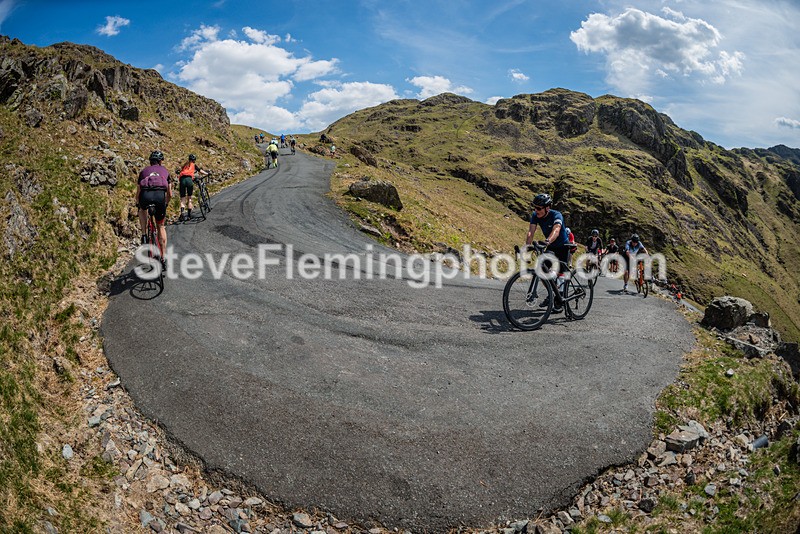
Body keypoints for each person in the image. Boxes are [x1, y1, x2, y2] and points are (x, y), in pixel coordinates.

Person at [524, 193, 571, 313]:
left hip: (563, 246)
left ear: (547, 208)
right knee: (542, 269)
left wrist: (547, 241)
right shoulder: (535, 215)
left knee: (561, 274)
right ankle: (552, 293)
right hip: (551, 246)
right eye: (534, 207)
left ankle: (560, 298)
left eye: (539, 208)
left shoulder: (557, 215)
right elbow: (531, 232)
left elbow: (556, 230)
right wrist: (527, 247)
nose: (536, 210)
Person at [136, 150, 172, 261]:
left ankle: (143, 234)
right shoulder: (165, 171)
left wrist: (138, 204)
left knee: (142, 209)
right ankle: (163, 256)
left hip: (145, 195)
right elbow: (169, 194)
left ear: (150, 162)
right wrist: (165, 204)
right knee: (160, 226)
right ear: (161, 161)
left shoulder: (143, 171)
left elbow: (138, 193)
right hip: (159, 196)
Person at [177, 154, 208, 221]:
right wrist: (207, 174)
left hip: (182, 180)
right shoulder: (193, 165)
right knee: (189, 198)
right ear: (194, 160)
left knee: (182, 199)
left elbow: (180, 172)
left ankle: (182, 214)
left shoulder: (185, 165)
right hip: (189, 180)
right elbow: (200, 171)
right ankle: (189, 215)